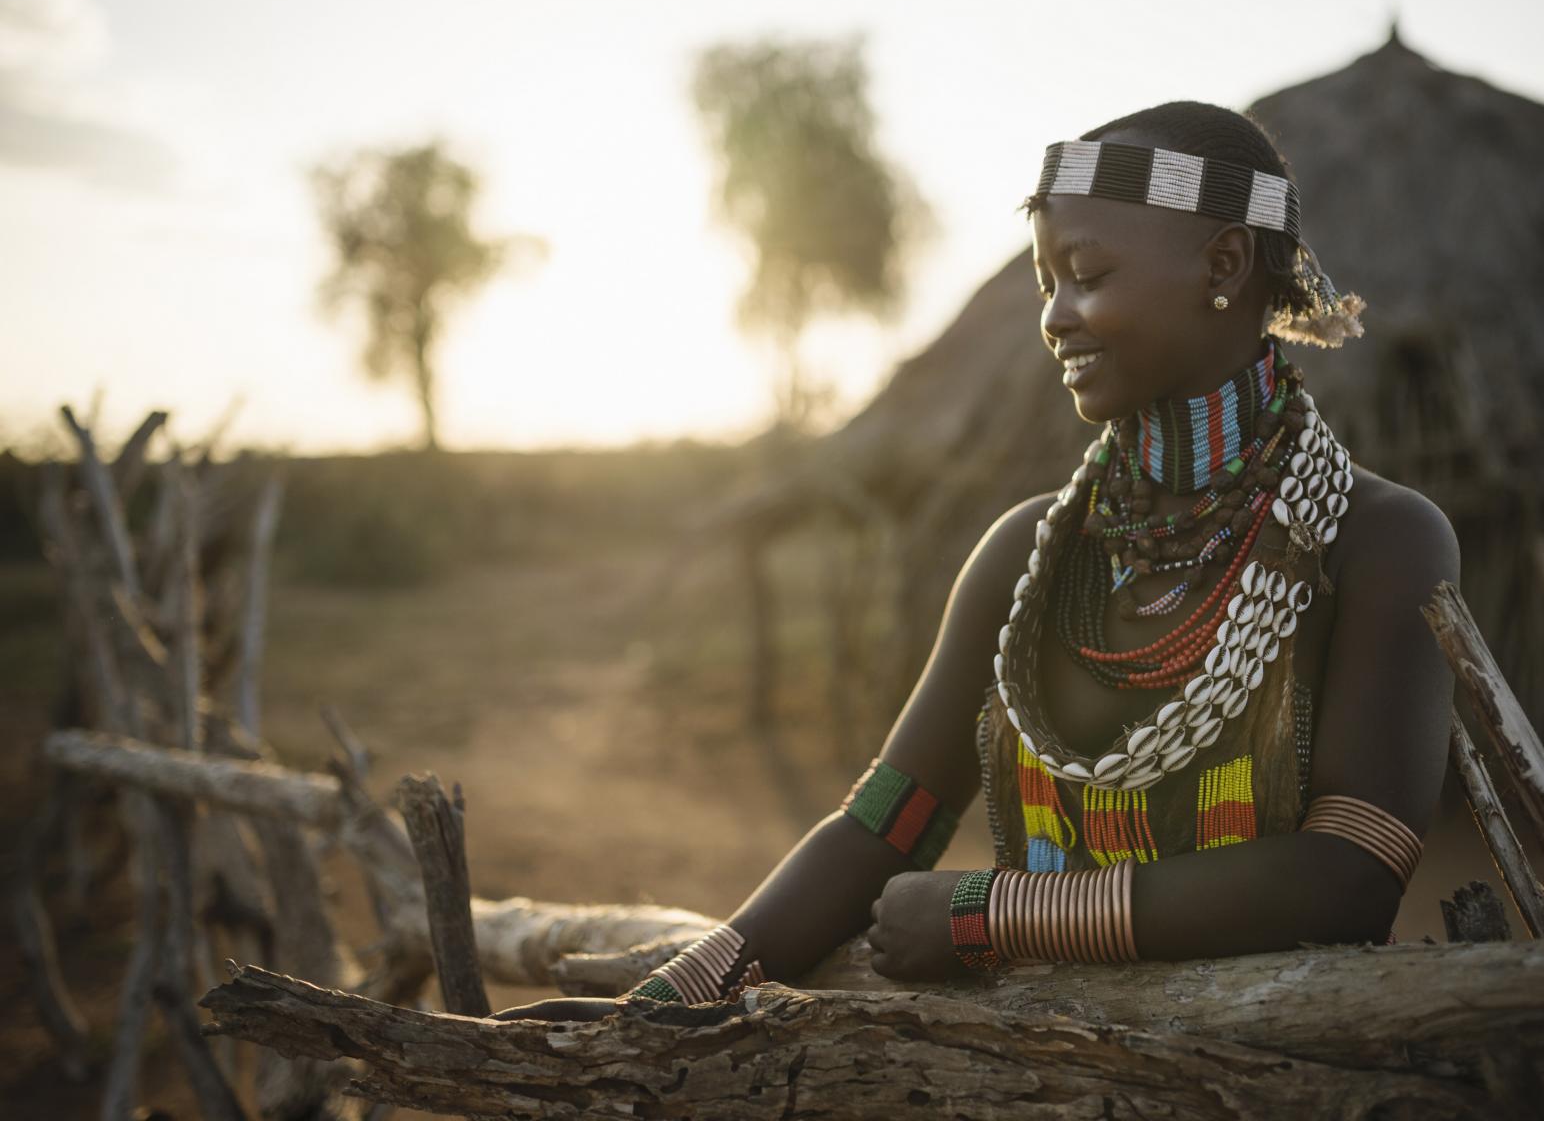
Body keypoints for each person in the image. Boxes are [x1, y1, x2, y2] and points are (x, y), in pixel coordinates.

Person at [494, 100, 1459, 1021]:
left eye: (1086, 273)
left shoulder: (1377, 542)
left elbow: (1350, 875)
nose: (1055, 318)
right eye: (1046, 284)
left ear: (1223, 262)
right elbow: (885, 822)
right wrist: (667, 1001)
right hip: (1037, 1072)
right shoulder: (1029, 560)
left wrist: (990, 913)